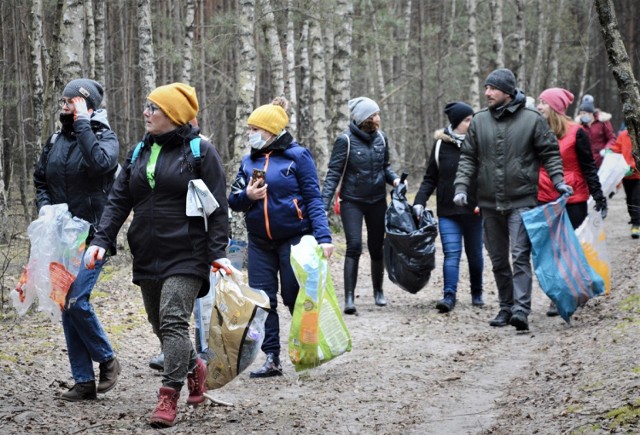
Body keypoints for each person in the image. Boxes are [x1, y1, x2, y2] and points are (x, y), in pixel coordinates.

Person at [85, 83, 230, 428]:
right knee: (160, 324)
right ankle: (195, 367)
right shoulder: (138, 152)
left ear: (175, 115)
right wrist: (101, 240)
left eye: (155, 108)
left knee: (173, 320)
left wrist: (218, 252)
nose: (146, 113)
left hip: (187, 252)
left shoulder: (200, 152)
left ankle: (168, 395)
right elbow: (119, 201)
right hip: (148, 253)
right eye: (147, 106)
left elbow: (219, 208)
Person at [454, 68, 570, 331]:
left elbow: (550, 153)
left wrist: (558, 180)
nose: (487, 93)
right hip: (488, 202)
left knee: (519, 255)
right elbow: (468, 158)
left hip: (522, 200)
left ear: (506, 90)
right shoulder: (480, 121)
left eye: (492, 88)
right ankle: (505, 307)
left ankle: (521, 310)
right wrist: (461, 187)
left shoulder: (532, 119)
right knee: (497, 258)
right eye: (485, 88)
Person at [228, 97, 333, 378]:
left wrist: (324, 237)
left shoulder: (298, 156)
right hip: (259, 242)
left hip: (294, 240)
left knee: (292, 295)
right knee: (263, 300)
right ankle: (272, 358)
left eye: (254, 128)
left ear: (271, 130)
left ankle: (307, 348)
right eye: (248, 128)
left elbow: (313, 198)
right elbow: (233, 200)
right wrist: (247, 196)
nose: (250, 133)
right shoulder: (248, 160)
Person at [34, 78, 121, 402]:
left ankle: (107, 358)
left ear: (87, 105)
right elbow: (40, 177)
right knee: (66, 305)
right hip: (61, 237)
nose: (65, 105)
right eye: (64, 100)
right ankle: (84, 381)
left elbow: (102, 165)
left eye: (71, 101)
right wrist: (45, 209)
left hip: (95, 234)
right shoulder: (56, 139)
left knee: (76, 300)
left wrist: (84, 123)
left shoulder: (103, 136)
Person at [321, 97, 401, 314]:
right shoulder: (344, 141)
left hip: (377, 201)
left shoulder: (381, 139)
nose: (378, 118)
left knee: (377, 247)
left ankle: (378, 292)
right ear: (365, 118)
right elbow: (333, 174)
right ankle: (349, 298)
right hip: (352, 202)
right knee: (354, 245)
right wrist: (322, 206)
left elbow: (385, 167)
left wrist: (394, 180)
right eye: (374, 115)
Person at [536, 87, 607, 316]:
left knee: (570, 247)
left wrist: (598, 196)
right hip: (544, 196)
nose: (539, 107)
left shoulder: (577, 133)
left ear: (555, 107)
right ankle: (557, 297)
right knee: (552, 249)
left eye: (543, 103)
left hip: (573, 197)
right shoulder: (537, 131)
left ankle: (576, 289)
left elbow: (589, 167)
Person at [412, 102, 484, 313]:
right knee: (452, 253)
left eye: (473, 119)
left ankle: (477, 293)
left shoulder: (479, 143)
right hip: (448, 211)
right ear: (456, 123)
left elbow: (487, 176)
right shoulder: (440, 146)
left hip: (475, 211)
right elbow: (429, 179)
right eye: (467, 120)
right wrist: (419, 202)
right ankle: (449, 295)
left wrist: (484, 201)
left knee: (475, 255)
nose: (472, 124)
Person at [610, 129, 640, 239]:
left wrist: (632, 166)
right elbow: (618, 148)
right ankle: (634, 218)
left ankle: (636, 224)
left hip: (637, 174)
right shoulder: (623, 134)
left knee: (636, 199)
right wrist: (611, 152)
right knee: (629, 199)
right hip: (626, 174)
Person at [577, 94, 616, 167]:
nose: (582, 116)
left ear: (591, 113)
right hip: (586, 163)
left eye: (584, 113)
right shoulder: (579, 126)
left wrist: (607, 149)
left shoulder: (603, 122)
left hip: (602, 160)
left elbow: (612, 138)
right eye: (580, 113)